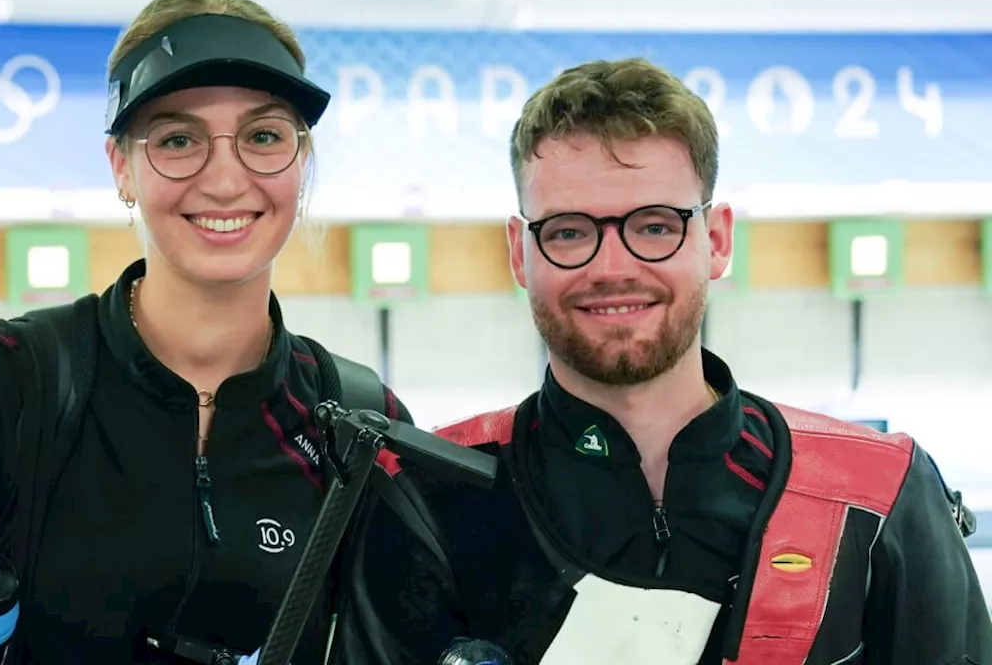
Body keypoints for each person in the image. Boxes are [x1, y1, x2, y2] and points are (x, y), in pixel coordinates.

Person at [0, 0, 412, 664]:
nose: (226, 180)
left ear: (300, 161)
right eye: (177, 138)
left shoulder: (359, 424)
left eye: (263, 135)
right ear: (122, 168)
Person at [332, 57, 991, 665]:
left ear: (717, 239)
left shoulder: (876, 497)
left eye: (654, 225)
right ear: (519, 251)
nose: (612, 267)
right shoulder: (428, 493)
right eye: (568, 232)